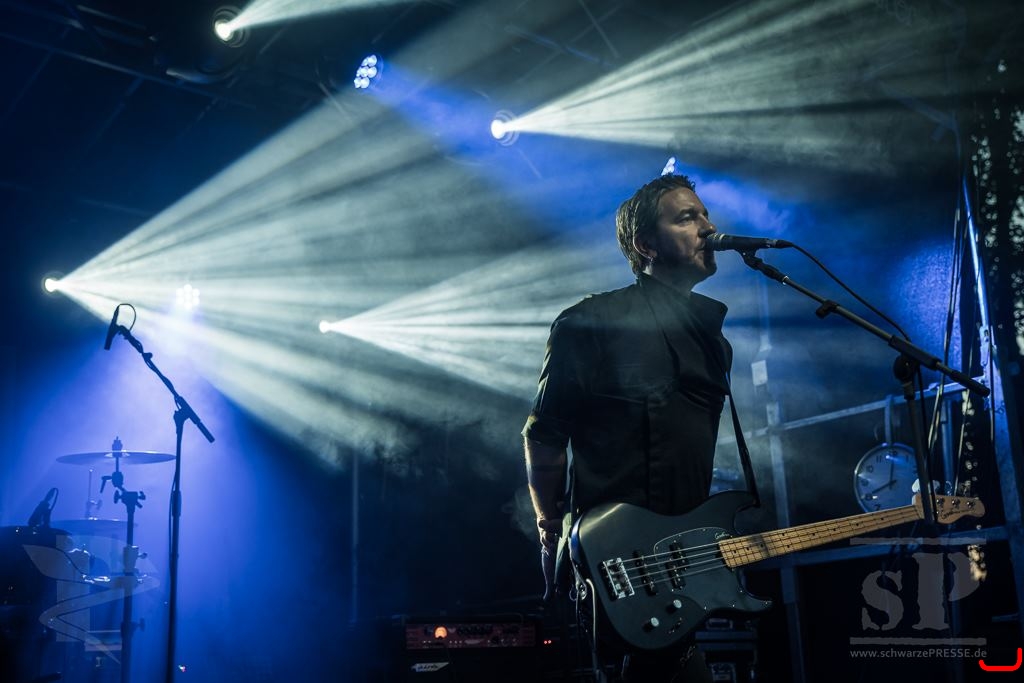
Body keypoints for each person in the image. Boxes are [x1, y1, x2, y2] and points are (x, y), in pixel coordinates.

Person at [523, 174, 732, 682]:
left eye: (705, 215)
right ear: (646, 246)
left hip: (681, 568)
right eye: (687, 217)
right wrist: (551, 530)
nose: (708, 228)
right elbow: (544, 435)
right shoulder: (592, 321)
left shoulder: (714, 342)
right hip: (614, 567)